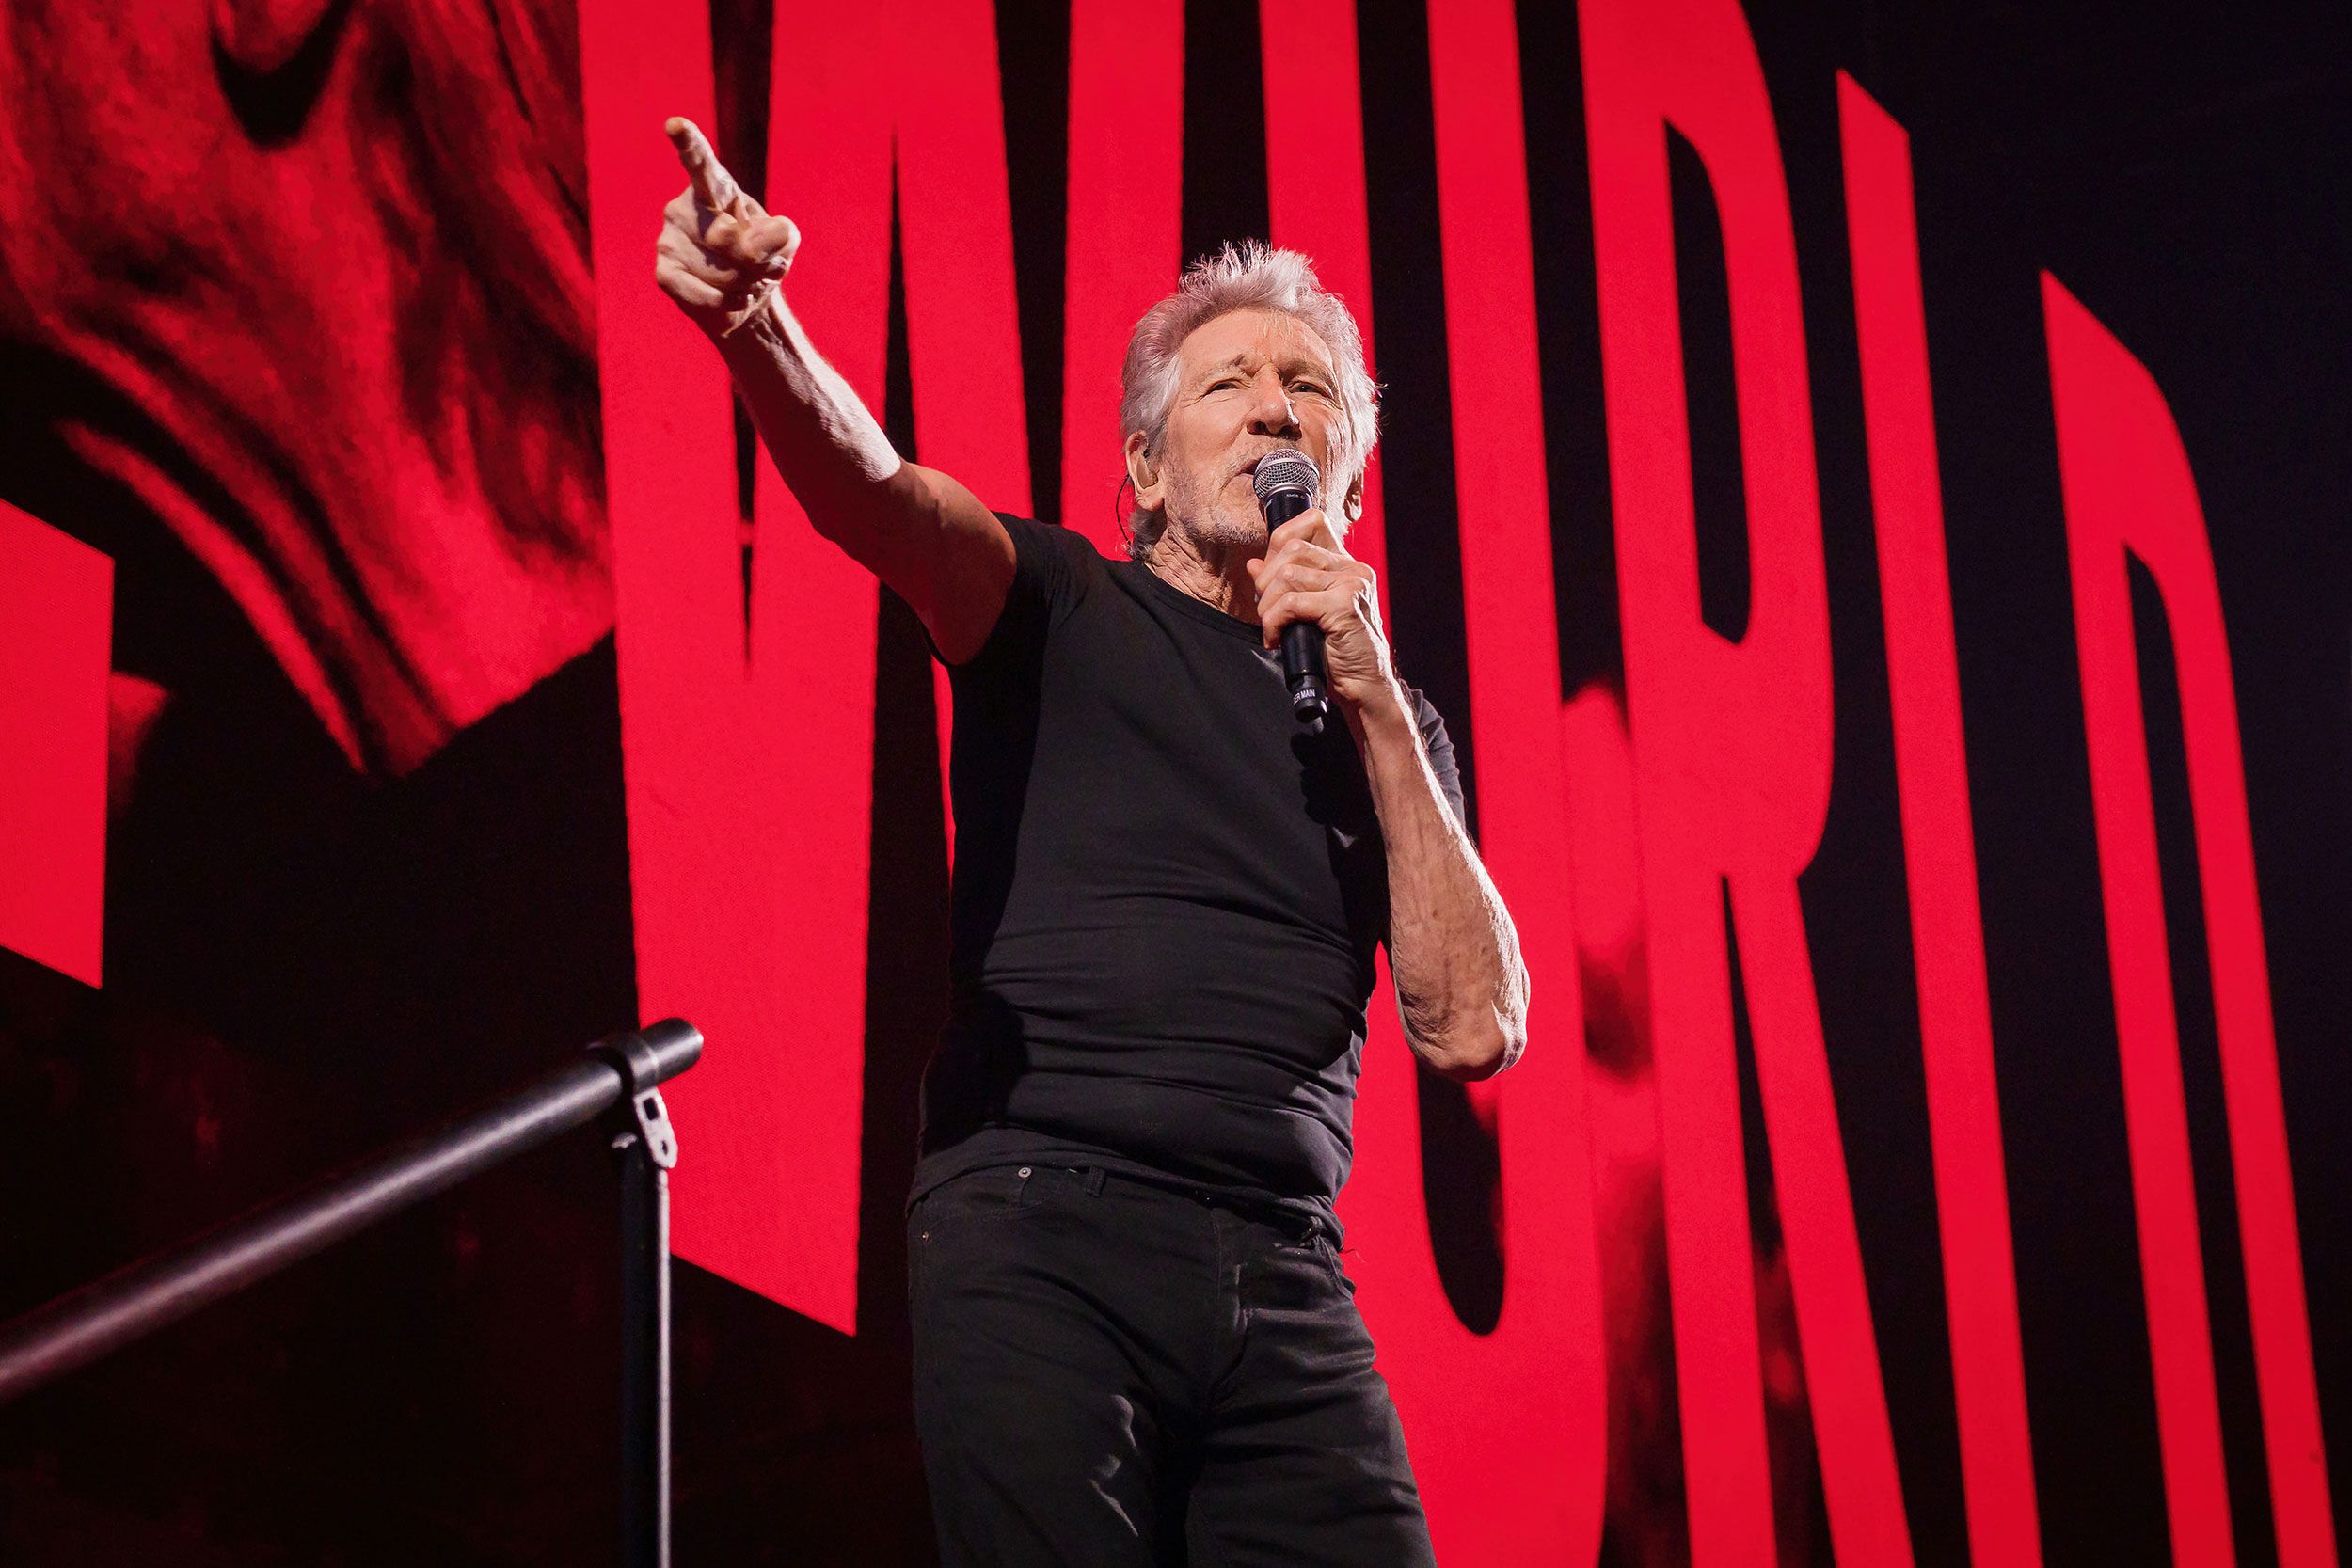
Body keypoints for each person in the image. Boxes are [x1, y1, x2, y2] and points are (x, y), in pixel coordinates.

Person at [655, 116, 1529, 1566]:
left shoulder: (1392, 727)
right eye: (1230, 383)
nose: (1272, 410)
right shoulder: (1058, 607)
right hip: (1041, 1224)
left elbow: (1474, 1026)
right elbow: (875, 494)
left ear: (1350, 486)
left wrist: (1372, 698)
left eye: (1308, 390)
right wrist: (759, 324)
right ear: (1139, 468)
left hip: (1285, 1281)